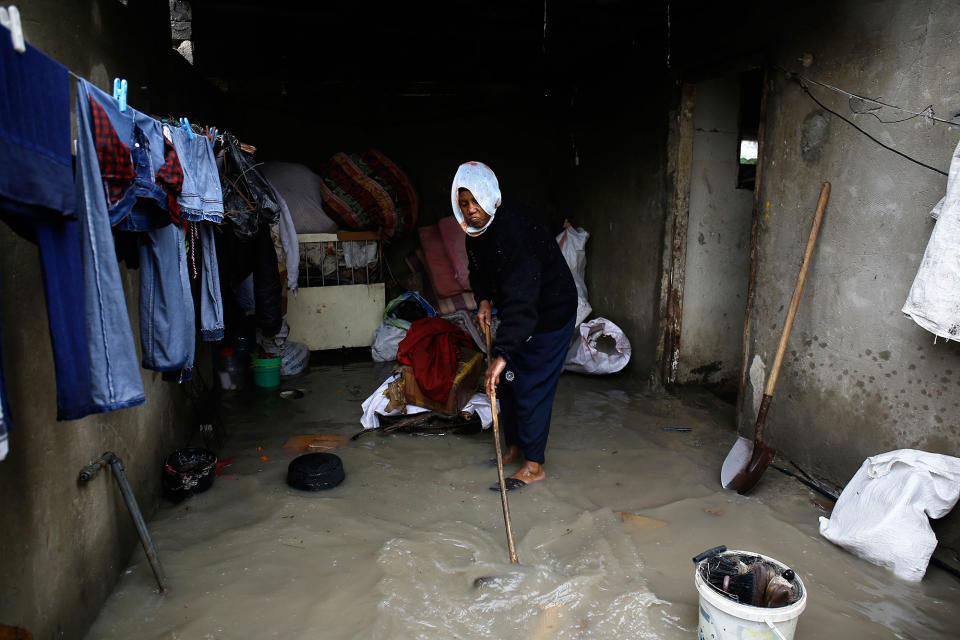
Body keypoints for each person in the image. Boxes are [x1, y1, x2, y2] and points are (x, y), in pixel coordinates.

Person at [452, 161, 577, 491]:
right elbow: (478, 270)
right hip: (521, 312)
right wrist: (483, 301)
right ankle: (515, 448)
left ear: (490, 196)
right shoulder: (476, 231)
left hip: (549, 312)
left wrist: (503, 353)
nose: (470, 209)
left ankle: (534, 466)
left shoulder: (516, 230)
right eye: (463, 202)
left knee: (531, 384)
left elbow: (524, 299)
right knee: (507, 382)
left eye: (475, 201)